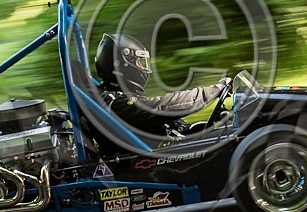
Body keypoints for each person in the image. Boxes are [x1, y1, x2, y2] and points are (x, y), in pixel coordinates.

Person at [94, 33, 231, 136]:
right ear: (123, 66)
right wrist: (212, 91)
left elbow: (177, 128)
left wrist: (206, 128)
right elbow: (162, 107)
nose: (142, 68)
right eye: (138, 62)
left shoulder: (121, 98)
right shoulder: (117, 103)